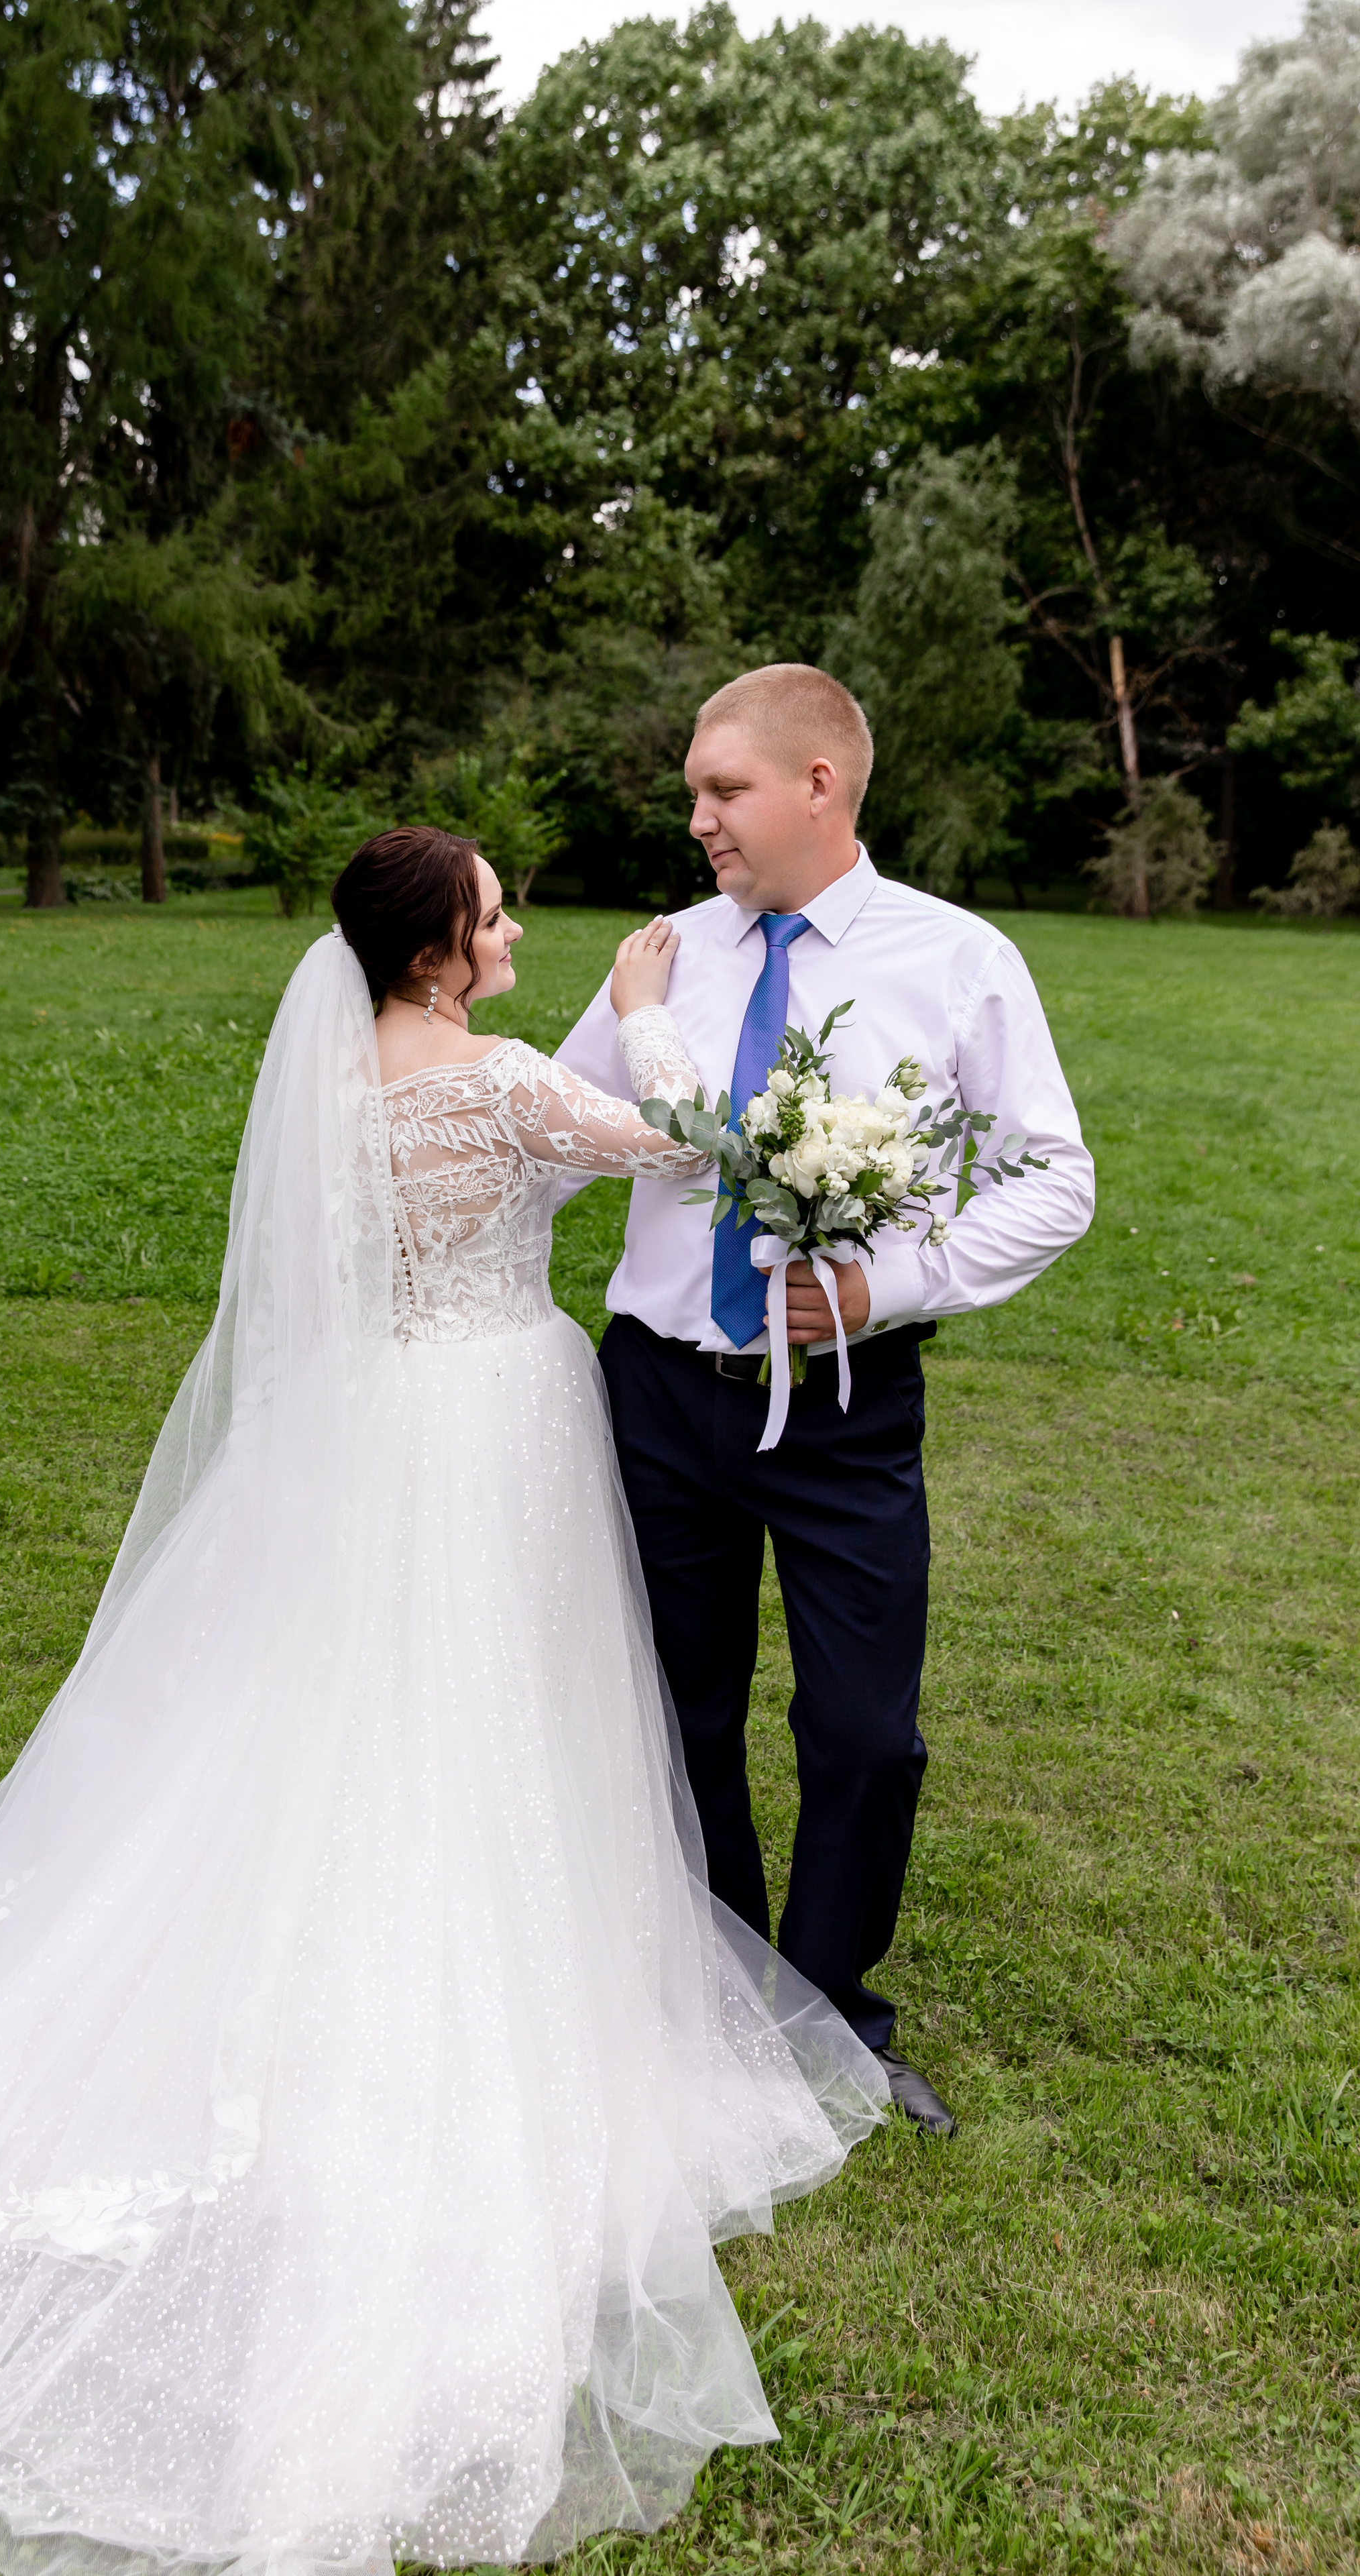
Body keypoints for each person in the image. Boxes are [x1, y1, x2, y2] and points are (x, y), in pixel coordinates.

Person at [0, 827, 885, 2576]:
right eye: (494, 908)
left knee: (344, 1710)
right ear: (443, 953)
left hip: (368, 1427)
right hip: (491, 1430)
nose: (517, 923)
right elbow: (696, 1149)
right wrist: (648, 1018)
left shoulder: (332, 1098)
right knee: (495, 1716)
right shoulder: (515, 1088)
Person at [557, 665, 1095, 2137]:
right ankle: (715, 2006)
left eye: (720, 790)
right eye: (690, 792)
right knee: (678, 1713)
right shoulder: (659, 963)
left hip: (847, 1406)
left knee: (864, 1733)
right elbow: (553, 1134)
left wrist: (887, 1283)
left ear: (819, 785)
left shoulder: (957, 959)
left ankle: (832, 2014)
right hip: (658, 1393)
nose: (697, 820)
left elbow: (1055, 1178)